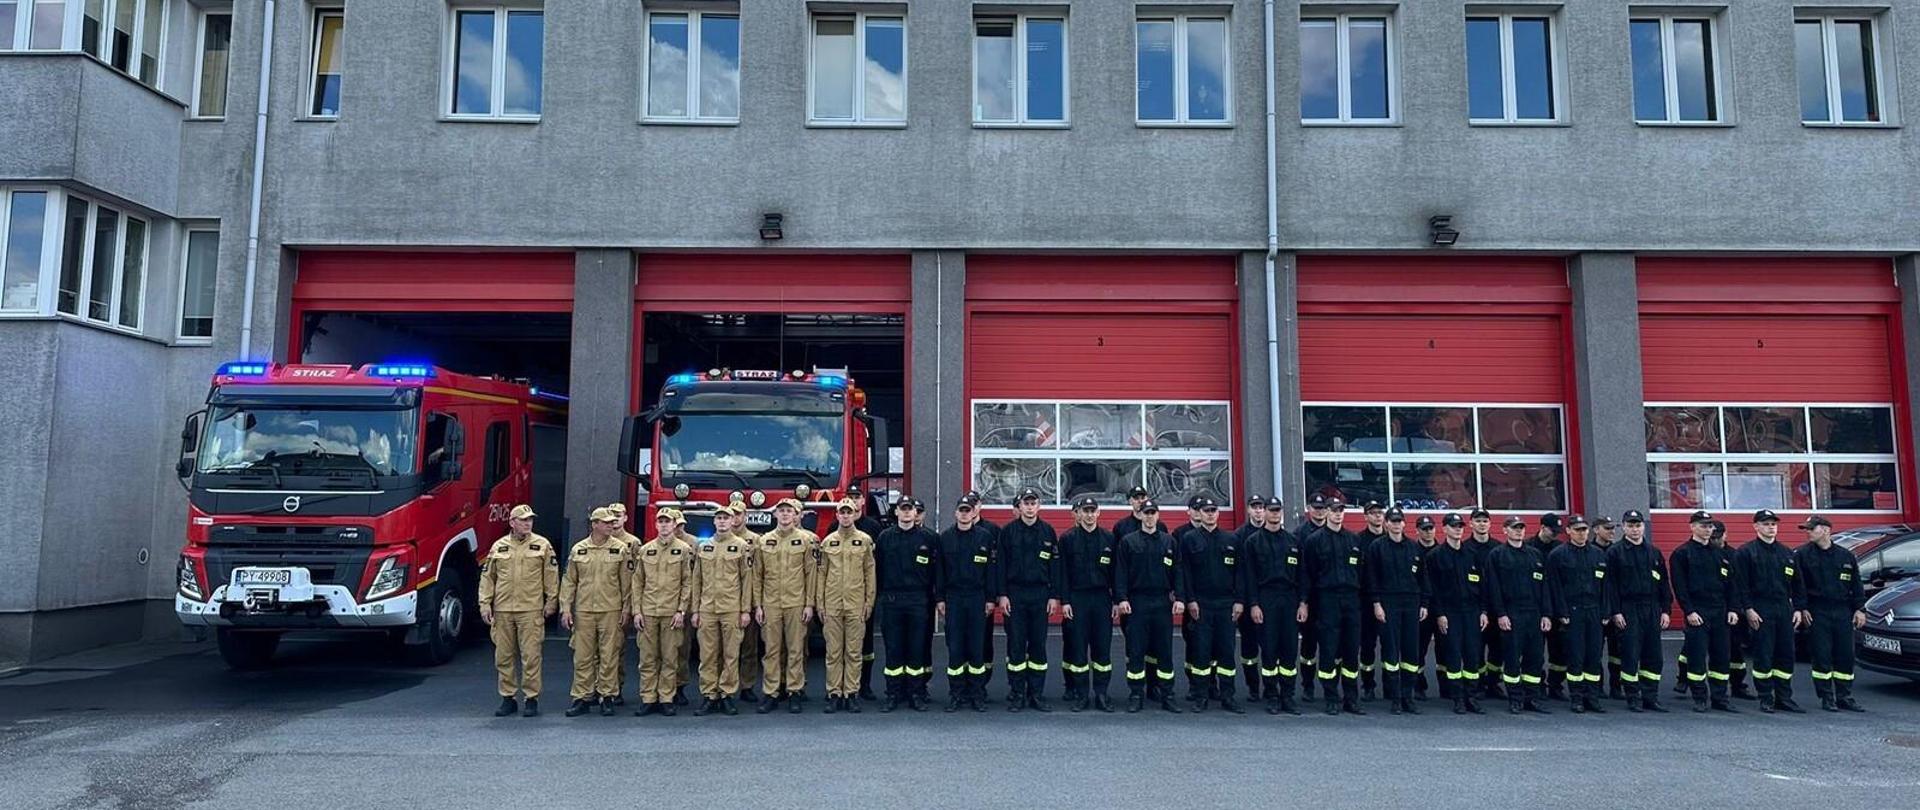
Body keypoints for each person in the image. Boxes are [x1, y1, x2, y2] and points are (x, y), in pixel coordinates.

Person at [480, 504, 560, 717]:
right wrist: (485, 604)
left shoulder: (542, 545)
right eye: (523, 519)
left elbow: (551, 576)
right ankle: (508, 697)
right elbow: (488, 578)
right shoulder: (499, 546)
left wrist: (552, 601)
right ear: (512, 522)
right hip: (503, 609)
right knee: (503, 656)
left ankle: (531, 698)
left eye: (530, 519)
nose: (528, 523)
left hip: (530, 610)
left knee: (531, 656)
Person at [560, 507, 634, 717]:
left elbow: (627, 584)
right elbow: (569, 581)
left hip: (611, 610)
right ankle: (582, 697)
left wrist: (626, 609)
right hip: (584, 610)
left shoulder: (620, 549)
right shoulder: (579, 550)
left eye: (612, 522)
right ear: (594, 525)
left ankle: (607, 696)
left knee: (609, 655)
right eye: (606, 522)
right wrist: (566, 609)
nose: (611, 525)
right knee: (583, 656)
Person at [1176, 496, 1245, 713]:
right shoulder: (1189, 539)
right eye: (1206, 510)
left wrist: (1239, 602)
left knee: (1226, 651)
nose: (1209, 514)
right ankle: (1200, 695)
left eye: (1213, 510)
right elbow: (1184, 572)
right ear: (1200, 513)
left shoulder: (1231, 539)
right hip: (1201, 604)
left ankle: (1228, 696)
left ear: (1218, 513)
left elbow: (1240, 574)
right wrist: (1190, 600)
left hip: (1226, 604)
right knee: (1201, 652)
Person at [1114, 499, 1183, 713]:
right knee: (1136, 650)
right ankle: (1136, 694)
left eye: (1153, 512)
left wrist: (1180, 597)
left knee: (1164, 650)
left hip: (1162, 602)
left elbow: (1179, 573)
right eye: (1147, 513)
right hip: (1137, 602)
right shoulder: (1128, 542)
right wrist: (1122, 598)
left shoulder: (1169, 542)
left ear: (1158, 515)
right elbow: (1120, 573)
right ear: (1140, 515)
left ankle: (1167, 694)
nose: (1150, 516)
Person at [1794, 516, 1868, 712]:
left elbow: (1856, 584)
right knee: (1822, 655)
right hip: (1818, 611)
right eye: (1806, 529)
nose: (1807, 532)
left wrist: (1860, 608)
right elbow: (1798, 585)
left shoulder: (1845, 556)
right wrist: (1802, 607)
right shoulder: (1802, 555)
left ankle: (1845, 695)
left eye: (1811, 528)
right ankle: (1827, 696)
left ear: (1826, 530)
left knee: (1845, 655)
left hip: (1843, 611)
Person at [751, 498, 817, 714]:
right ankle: (771, 692)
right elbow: (757, 576)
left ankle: (794, 691)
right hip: (770, 604)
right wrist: (758, 605)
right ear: (775, 515)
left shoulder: (805, 541)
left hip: (796, 603)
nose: (786, 514)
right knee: (771, 650)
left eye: (789, 511)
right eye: (782, 511)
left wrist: (809, 604)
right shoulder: (764, 541)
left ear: (795, 515)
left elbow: (811, 574)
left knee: (795, 649)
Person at [1670, 510, 1740, 713]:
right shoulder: (1682, 553)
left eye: (1710, 526)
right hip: (1697, 611)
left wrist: (1733, 609)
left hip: (1719, 611)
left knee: (1721, 656)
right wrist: (1689, 611)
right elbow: (1679, 586)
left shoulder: (1720, 554)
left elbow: (1731, 585)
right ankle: (1700, 697)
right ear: (1692, 527)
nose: (1708, 530)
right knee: (1697, 657)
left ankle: (1720, 698)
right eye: (1703, 525)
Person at [1736, 509, 1805, 714]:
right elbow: (1741, 585)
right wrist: (1748, 609)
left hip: (1783, 608)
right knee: (1764, 655)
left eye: (1773, 524)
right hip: (1760, 608)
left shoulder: (1787, 553)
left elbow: (1798, 584)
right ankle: (1766, 697)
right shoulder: (1746, 552)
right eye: (1766, 524)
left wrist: (1799, 608)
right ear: (1756, 526)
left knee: (1786, 654)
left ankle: (1784, 697)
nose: (1770, 527)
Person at [997, 488, 1059, 712]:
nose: (1030, 507)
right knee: (1015, 646)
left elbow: (1055, 566)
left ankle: (1036, 694)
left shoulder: (1048, 532)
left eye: (1033, 503)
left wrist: (1053, 596)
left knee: (1038, 647)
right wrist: (1002, 594)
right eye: (1026, 503)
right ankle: (1016, 694)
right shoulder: (1008, 532)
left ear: (1039, 506)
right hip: (1015, 595)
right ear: (1019, 507)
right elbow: (1000, 566)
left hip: (1040, 595)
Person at [874, 497, 938, 712]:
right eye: (904, 509)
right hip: (892, 600)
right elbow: (878, 570)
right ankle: (893, 694)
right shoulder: (885, 538)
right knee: (893, 649)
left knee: (916, 649)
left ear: (915, 513)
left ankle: (916, 694)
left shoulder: (928, 538)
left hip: (918, 600)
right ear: (897, 513)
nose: (908, 512)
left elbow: (935, 572)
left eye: (911, 509)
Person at [1244, 495, 1306, 715]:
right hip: (1266, 599)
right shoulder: (1253, 542)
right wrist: (1254, 604)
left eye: (1277, 510)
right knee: (1269, 650)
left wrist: (1303, 603)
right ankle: (1271, 695)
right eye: (1271, 510)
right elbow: (1249, 577)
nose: (1274, 514)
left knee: (1289, 649)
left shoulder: (1293, 541)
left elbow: (1302, 576)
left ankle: (1287, 696)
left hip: (1289, 599)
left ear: (1282, 513)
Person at [1303, 499, 1366, 715]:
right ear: (1327, 512)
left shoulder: (1353, 540)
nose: (1338, 514)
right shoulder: (1314, 541)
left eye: (1341, 511)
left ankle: (1351, 698)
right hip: (1327, 599)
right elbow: (1308, 574)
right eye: (1334, 511)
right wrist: (1306, 603)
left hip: (1350, 599)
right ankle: (1331, 697)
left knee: (1351, 650)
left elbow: (1361, 573)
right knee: (1329, 649)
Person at [936, 493, 998, 712]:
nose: (964, 514)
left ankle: (977, 694)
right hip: (953, 598)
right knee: (955, 648)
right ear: (956, 513)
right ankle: (956, 694)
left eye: (968, 510)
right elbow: (940, 572)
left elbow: (991, 571)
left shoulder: (984, 537)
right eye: (961, 510)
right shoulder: (945, 538)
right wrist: (940, 598)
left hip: (977, 598)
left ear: (974, 513)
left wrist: (991, 599)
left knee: (976, 648)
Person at [689, 508, 753, 717]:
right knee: (707, 655)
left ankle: (726, 695)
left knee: (730, 654)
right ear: (714, 522)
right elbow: (696, 580)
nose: (723, 521)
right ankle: (709, 695)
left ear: (733, 520)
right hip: (707, 609)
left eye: (726, 518)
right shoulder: (704, 546)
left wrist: (745, 610)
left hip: (731, 609)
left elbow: (747, 581)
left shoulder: (741, 546)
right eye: (719, 518)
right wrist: (695, 609)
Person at [630, 508, 694, 717]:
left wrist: (681, 610)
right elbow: (637, 583)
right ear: (656, 525)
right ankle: (648, 698)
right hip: (648, 611)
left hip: (671, 612)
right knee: (648, 658)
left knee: (669, 657)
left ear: (674, 525)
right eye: (661, 522)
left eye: (668, 522)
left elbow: (687, 582)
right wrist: (637, 611)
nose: (664, 525)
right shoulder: (646, 550)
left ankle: (666, 697)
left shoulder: (684, 550)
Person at [1605, 510, 1671, 713]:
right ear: (1623, 527)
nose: (1635, 529)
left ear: (1644, 527)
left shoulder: (1654, 552)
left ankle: (1650, 696)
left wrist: (1666, 610)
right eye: (1631, 525)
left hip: (1651, 608)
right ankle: (1633, 697)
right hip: (1628, 608)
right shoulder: (1615, 553)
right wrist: (1616, 612)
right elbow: (1610, 586)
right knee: (1631, 654)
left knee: (1654, 656)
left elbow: (1663, 584)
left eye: (1638, 525)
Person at [1058, 496, 1119, 712]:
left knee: (1102, 649)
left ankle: (1102, 694)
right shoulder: (1067, 539)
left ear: (1099, 513)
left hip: (1102, 599)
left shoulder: (1109, 539)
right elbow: (1062, 573)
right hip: (1077, 599)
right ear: (1079, 513)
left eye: (1093, 510)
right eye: (1086, 510)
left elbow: (1116, 574)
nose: (1090, 514)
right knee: (1078, 650)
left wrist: (1116, 601)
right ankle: (1081, 694)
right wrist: (1064, 601)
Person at [1365, 507, 1427, 715]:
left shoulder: (1414, 548)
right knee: (1391, 651)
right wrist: (1376, 603)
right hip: (1388, 602)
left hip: (1411, 603)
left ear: (1404, 523)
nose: (1396, 524)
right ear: (1386, 524)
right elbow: (1372, 578)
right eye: (1393, 521)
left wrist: (1424, 604)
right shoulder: (1377, 547)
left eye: (1399, 521)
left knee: (1411, 651)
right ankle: (1395, 697)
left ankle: (1408, 696)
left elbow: (1423, 579)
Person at [1488, 515, 1552, 714]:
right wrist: (1501, 614)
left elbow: (1545, 588)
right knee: (1512, 658)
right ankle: (1515, 698)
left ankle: (1531, 698)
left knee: (1535, 658)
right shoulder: (1497, 555)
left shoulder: (1535, 555)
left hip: (1534, 613)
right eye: (1514, 527)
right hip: (1511, 613)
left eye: (1521, 528)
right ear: (1505, 530)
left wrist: (1546, 614)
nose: (1519, 531)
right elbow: (1493, 587)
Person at [1546, 515, 1610, 713]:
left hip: (1594, 611)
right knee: (1575, 656)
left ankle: (1592, 697)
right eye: (1577, 530)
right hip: (1572, 612)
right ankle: (1577, 697)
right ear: (1568, 531)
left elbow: (1606, 586)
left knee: (1594, 655)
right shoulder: (1558, 555)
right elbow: (1554, 587)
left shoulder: (1598, 555)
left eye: (1584, 530)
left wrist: (1606, 611)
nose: (1581, 533)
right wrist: (1561, 612)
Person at [818, 499, 876, 714]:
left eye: (848, 512)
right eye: (841, 513)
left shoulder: (864, 541)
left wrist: (869, 602)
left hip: (856, 604)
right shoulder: (828, 542)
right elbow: (821, 575)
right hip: (832, 604)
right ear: (837, 515)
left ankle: (851, 693)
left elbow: (870, 575)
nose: (845, 516)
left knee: (853, 652)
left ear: (855, 515)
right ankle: (834, 693)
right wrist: (820, 603)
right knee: (833, 652)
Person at [1424, 513, 1486, 714]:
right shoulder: (1435, 556)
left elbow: (1482, 585)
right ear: (1444, 529)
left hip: (1471, 611)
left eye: (1460, 526)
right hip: (1450, 612)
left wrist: (1483, 611)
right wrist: (1440, 614)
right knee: (1453, 655)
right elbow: (1432, 588)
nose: (1458, 529)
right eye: (1453, 526)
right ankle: (1457, 698)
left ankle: (1472, 697)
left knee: (1472, 656)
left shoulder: (1471, 553)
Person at [1710, 519, 1759, 702]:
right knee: (1694, 651)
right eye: (1712, 536)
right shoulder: (1706, 553)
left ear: (1724, 535)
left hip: (1732, 609)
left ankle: (1738, 685)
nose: (1714, 540)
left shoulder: (1734, 555)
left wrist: (1739, 608)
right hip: (1709, 608)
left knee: (1735, 649)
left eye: (1717, 536)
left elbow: (1740, 584)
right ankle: (1685, 681)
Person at [722, 502, 765, 706]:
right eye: (732, 514)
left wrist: (755, 605)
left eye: (738, 514)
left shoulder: (755, 540)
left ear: (744, 516)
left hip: (747, 601)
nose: (736, 518)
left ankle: (747, 686)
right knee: (725, 650)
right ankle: (724, 688)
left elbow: (756, 575)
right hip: (725, 602)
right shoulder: (716, 542)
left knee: (749, 646)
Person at [846, 487, 885, 702]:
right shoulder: (836, 527)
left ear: (863, 501)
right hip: (842, 595)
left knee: (866, 643)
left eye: (856, 497)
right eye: (849, 497)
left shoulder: (873, 527)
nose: (853, 501)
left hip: (864, 595)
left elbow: (877, 563)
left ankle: (865, 685)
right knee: (843, 644)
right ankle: (844, 686)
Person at [1232, 495, 1270, 696]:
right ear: (1248, 510)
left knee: (1270, 645)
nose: (1258, 511)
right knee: (1249, 647)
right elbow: (1238, 571)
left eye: (1261, 507)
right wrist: (1239, 600)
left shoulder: (1275, 534)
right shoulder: (1239, 536)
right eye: (1254, 507)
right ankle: (1253, 686)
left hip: (1268, 599)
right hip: (1247, 599)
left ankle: (1271, 687)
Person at [1296, 494, 1332, 700]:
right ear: (1308, 508)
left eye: (1323, 507)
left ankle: (1331, 688)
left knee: (1331, 644)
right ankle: (1308, 685)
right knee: (1308, 645)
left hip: (1331, 599)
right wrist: (1303, 601)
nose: (1319, 511)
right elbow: (1301, 570)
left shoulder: (1338, 534)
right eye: (1316, 507)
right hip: (1310, 597)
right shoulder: (1300, 534)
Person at [1468, 507, 1506, 700]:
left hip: (1496, 605)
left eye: (1485, 521)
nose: (1481, 524)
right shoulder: (1465, 548)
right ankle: (1479, 683)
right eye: (1478, 520)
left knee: (1498, 647)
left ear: (1490, 524)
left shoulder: (1499, 548)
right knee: (1477, 647)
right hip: (1475, 607)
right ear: (1471, 523)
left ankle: (1493, 682)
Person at [1355, 500, 1390, 700]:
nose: (1377, 516)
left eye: (1380, 512)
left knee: (1389, 645)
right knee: (1367, 645)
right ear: (1365, 516)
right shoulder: (1358, 541)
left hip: (1388, 599)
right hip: (1365, 600)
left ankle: (1389, 685)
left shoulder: (1390, 539)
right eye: (1373, 513)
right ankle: (1368, 685)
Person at [1532, 513, 1568, 700]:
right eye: (1552, 531)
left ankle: (1555, 684)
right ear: (1542, 527)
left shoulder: (1560, 549)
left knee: (1559, 650)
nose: (1555, 535)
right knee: (1535, 650)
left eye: (1557, 532)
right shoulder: (1529, 547)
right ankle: (1537, 684)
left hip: (1555, 607)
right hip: (1535, 608)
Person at [1592, 516, 1626, 699]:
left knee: (1617, 651)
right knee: (1595, 650)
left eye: (1614, 528)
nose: (1612, 531)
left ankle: (1616, 686)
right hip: (1595, 610)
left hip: (1616, 609)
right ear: (1596, 530)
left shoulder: (1619, 551)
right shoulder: (1590, 551)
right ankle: (1596, 687)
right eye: (1607, 528)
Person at [1411, 515, 1440, 700]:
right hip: (1422, 607)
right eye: (1424, 528)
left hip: (1443, 607)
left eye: (1430, 528)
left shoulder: (1443, 551)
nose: (1428, 532)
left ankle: (1445, 686)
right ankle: (1418, 684)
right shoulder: (1413, 551)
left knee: (1445, 649)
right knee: (1419, 648)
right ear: (1417, 531)